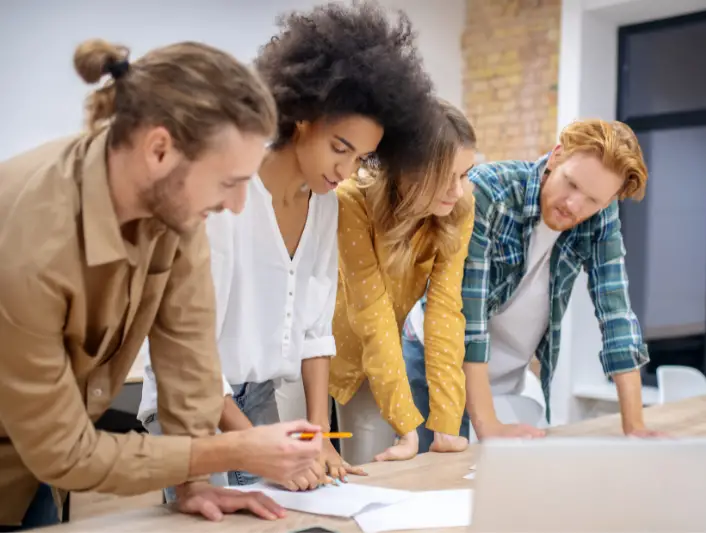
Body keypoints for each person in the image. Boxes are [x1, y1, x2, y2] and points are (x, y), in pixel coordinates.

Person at [0, 39, 323, 531]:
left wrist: (195, 483)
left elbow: (189, 359)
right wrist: (231, 449)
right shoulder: (31, 239)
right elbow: (63, 451)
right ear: (158, 150)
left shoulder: (175, 215)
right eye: (228, 182)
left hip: (34, 466)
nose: (238, 206)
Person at [137, 1, 439, 493]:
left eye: (361, 158)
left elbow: (316, 331)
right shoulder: (225, 195)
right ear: (301, 116)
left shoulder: (325, 204)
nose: (346, 170)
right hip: (192, 399)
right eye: (340, 147)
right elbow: (193, 358)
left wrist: (316, 434)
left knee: (296, 511)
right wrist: (265, 446)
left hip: (258, 399)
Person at [403, 118, 661, 446]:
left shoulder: (599, 217)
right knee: (436, 485)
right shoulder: (487, 192)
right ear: (556, 156)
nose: (574, 205)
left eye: (594, 200)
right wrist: (486, 423)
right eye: (571, 184)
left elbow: (617, 316)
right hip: (434, 366)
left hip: (504, 378)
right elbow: (468, 316)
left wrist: (634, 425)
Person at [330, 99, 477, 466]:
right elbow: (371, 311)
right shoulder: (352, 199)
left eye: (465, 174)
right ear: (407, 169)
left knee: (369, 476)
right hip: (310, 356)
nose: (458, 191)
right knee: (295, 477)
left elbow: (445, 314)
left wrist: (444, 424)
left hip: (372, 363)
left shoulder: (458, 208)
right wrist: (406, 424)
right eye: (447, 176)